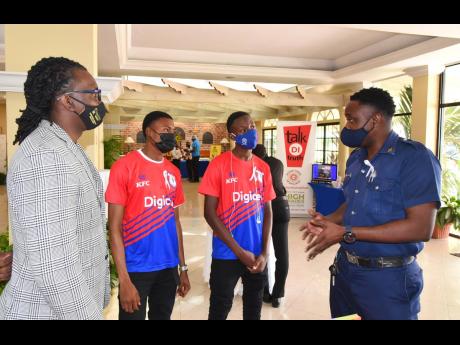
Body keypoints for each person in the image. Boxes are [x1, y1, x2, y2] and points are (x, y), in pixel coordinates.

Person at [300, 87, 441, 320]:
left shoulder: (415, 158)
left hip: (388, 281)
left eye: (352, 120)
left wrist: (345, 232)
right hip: (346, 272)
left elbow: (421, 228)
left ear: (375, 120)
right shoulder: (357, 158)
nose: (347, 127)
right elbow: (353, 204)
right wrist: (329, 221)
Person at [0, 57, 111, 320]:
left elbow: (50, 242)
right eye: (93, 93)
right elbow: (55, 270)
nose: (99, 101)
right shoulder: (47, 158)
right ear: (67, 100)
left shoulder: (62, 147)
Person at [106, 111, 191, 320]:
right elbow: (114, 228)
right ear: (149, 133)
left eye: (173, 130)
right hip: (136, 268)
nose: (171, 135)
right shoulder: (124, 167)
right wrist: (124, 280)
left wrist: (183, 267)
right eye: (166, 130)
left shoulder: (173, 172)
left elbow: (176, 222)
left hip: (169, 267)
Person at [199, 111, 276, 320]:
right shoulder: (218, 165)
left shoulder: (263, 168)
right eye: (243, 129)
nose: (251, 131)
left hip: (257, 254)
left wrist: (264, 252)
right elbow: (209, 213)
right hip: (227, 253)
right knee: (220, 308)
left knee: (253, 309)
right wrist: (239, 252)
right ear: (232, 136)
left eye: (252, 126)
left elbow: (268, 210)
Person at [252, 144, 290, 308]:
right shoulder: (277, 162)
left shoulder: (254, 165)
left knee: (263, 251)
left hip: (264, 208)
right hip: (282, 206)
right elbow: (279, 183)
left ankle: (265, 292)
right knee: (282, 253)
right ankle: (278, 295)